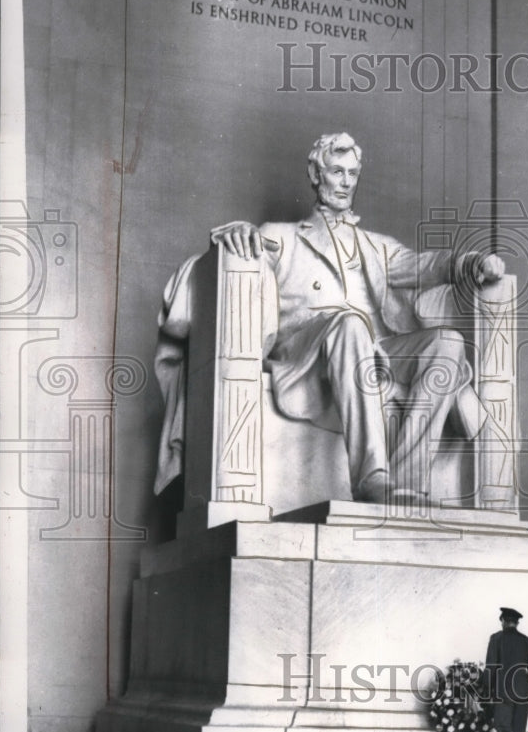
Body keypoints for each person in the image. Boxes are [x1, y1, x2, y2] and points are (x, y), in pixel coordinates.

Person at [155, 132, 505, 504]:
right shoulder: (281, 236)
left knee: (447, 343)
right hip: (307, 353)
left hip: (373, 350)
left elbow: (426, 265)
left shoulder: (376, 247)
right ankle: (372, 478)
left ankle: (405, 483)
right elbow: (237, 255)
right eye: (336, 171)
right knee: (350, 322)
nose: (345, 182)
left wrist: (470, 264)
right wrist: (235, 235)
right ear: (315, 173)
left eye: (352, 174)